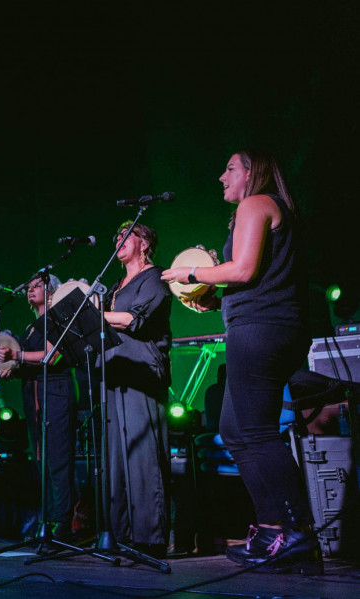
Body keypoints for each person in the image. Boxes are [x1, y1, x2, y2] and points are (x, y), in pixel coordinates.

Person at [162, 149, 318, 574]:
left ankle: (297, 531)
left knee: (256, 431)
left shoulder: (257, 202)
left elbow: (244, 270)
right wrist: (212, 299)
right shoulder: (263, 209)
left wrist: (191, 275)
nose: (221, 177)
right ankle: (272, 531)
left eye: (230, 168)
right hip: (263, 326)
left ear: (253, 172)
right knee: (234, 429)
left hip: (262, 329)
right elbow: (253, 278)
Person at [103, 222, 172, 557]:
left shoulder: (155, 277)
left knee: (143, 456)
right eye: (116, 237)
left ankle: (150, 537)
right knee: (117, 457)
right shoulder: (115, 284)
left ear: (144, 243)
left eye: (125, 235)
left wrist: (99, 315)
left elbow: (137, 320)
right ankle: (121, 534)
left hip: (142, 370)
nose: (118, 241)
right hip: (114, 372)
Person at [0, 274, 79, 540]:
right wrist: (14, 370)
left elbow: (52, 356)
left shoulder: (56, 319)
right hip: (35, 397)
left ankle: (62, 523)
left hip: (55, 393)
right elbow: (31, 363)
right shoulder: (32, 326)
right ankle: (48, 520)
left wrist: (17, 356)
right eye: (28, 286)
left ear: (51, 290)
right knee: (43, 462)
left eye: (37, 286)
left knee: (57, 460)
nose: (30, 290)